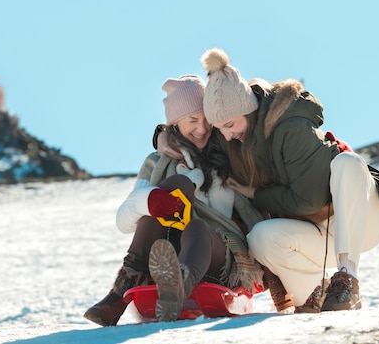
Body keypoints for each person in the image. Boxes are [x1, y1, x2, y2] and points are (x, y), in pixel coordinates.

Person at [200, 47, 379, 313]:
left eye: (230, 125)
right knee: (260, 238)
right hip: (318, 234)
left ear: (247, 110)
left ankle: (347, 277)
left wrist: (256, 194)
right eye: (220, 128)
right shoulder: (239, 141)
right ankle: (315, 295)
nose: (226, 135)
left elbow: (308, 199)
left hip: (361, 218)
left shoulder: (289, 127)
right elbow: (195, 139)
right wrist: (166, 137)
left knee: (347, 163)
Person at [83, 75, 266, 326]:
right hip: (169, 247)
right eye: (192, 121)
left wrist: (276, 270)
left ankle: (178, 287)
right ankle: (121, 292)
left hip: (216, 253)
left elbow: (253, 211)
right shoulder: (156, 162)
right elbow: (123, 221)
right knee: (156, 206)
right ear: (175, 123)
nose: (202, 129)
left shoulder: (228, 155)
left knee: (197, 227)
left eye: (206, 120)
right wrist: (151, 199)